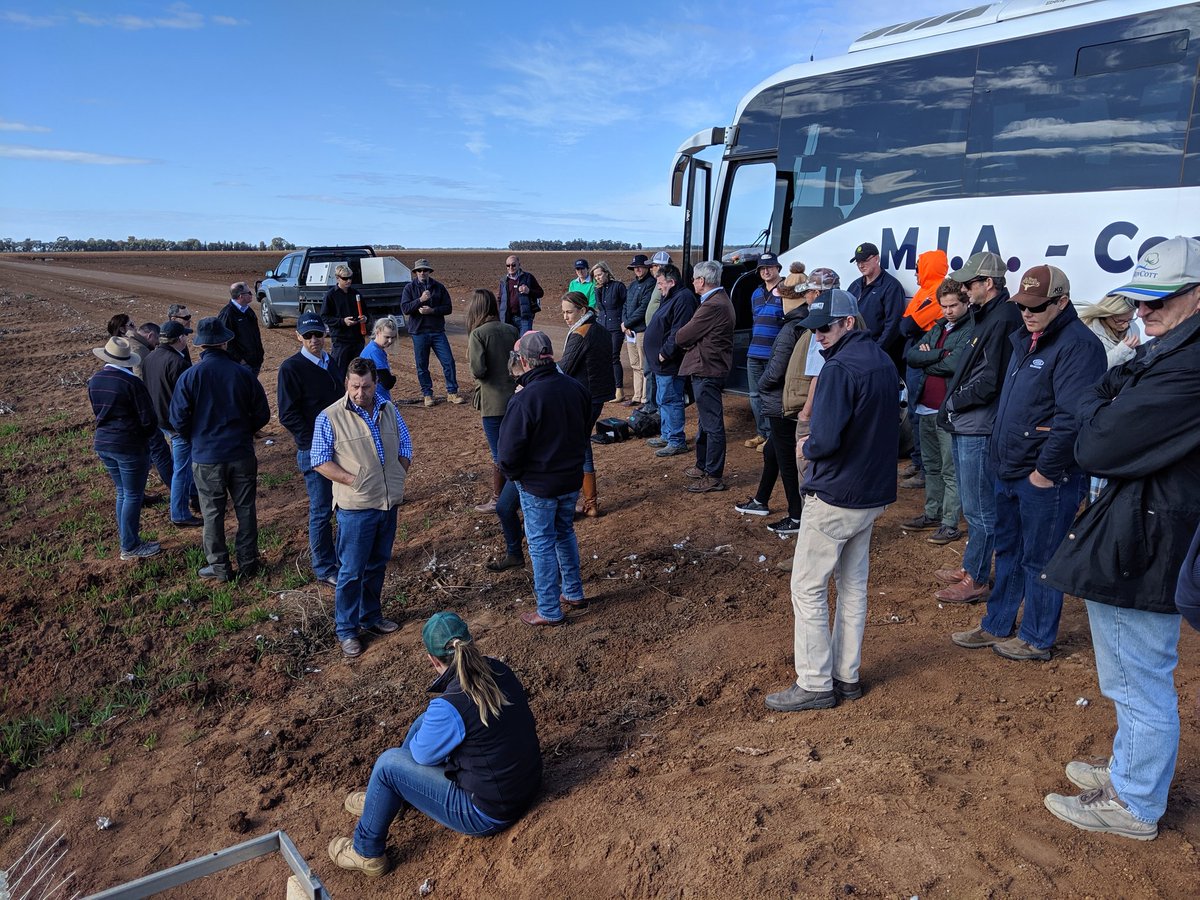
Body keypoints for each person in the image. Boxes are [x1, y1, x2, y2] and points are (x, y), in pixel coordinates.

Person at [1040, 237, 1200, 840]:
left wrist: (1099, 414)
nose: (1144, 311)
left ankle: (1134, 804)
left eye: (1161, 299)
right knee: (1131, 677)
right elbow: (1100, 404)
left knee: (1139, 678)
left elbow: (1097, 444)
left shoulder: (1188, 364)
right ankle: (1129, 773)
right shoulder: (1171, 350)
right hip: (1143, 523)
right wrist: (1103, 408)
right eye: (1140, 299)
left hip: (1152, 535)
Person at [950, 265, 1105, 660]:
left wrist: (1045, 472)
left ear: (1062, 302)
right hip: (1011, 469)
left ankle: (1037, 637)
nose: (1027, 313)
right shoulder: (1028, 339)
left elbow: (1072, 418)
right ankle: (997, 624)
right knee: (1010, 551)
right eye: (1022, 305)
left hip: (1045, 477)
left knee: (1041, 558)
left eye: (1037, 306)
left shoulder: (1078, 346)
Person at [328, 611, 542, 879]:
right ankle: (389, 801)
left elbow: (421, 756)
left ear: (432, 660)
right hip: (525, 784)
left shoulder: (450, 706)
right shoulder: (499, 669)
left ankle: (366, 851)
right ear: (471, 644)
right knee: (424, 722)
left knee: (387, 765)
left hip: (488, 812)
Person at [765, 289, 898, 712]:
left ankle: (815, 682)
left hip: (837, 494)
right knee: (853, 587)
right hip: (871, 493)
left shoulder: (840, 369)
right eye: (814, 328)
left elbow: (824, 439)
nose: (818, 335)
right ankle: (847, 676)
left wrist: (806, 448)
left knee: (807, 586)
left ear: (848, 323)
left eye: (825, 327)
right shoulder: (882, 359)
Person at [933, 251, 1022, 602]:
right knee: (975, 505)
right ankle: (973, 567)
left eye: (971, 283)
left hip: (979, 423)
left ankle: (978, 578)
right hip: (969, 421)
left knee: (980, 507)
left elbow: (990, 380)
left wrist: (954, 401)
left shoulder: (1001, 318)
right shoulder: (989, 315)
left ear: (989, 283)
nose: (967, 289)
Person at [313, 357, 413, 657]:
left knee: (377, 565)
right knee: (351, 571)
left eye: (366, 386)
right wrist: (351, 480)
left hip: (387, 503)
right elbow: (319, 459)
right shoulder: (330, 416)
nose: (360, 393)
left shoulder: (389, 409)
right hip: (356, 507)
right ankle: (346, 630)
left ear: (376, 383)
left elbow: (405, 444)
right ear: (347, 383)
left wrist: (397, 473)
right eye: (355, 386)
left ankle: (371, 616)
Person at [497, 331, 591, 626]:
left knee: (540, 544)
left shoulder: (525, 399)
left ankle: (549, 609)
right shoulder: (576, 388)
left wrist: (519, 477)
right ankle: (573, 592)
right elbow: (584, 430)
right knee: (564, 533)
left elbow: (507, 455)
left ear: (524, 361)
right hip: (569, 479)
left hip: (539, 484)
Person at [169, 316, 271, 582]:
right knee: (246, 509)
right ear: (225, 342)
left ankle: (219, 567)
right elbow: (262, 414)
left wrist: (198, 436)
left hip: (207, 457)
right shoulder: (243, 375)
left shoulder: (190, 376)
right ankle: (249, 562)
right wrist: (244, 430)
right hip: (240, 453)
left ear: (201, 346)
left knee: (212, 514)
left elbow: (178, 419)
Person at [735, 276, 810, 535]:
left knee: (786, 459)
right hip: (786, 399)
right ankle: (760, 500)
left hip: (781, 401)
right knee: (772, 452)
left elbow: (776, 369)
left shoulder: (791, 328)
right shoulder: (804, 323)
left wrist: (762, 384)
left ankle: (796, 516)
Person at [902, 279, 974, 545]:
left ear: (965, 302)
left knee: (949, 469)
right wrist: (940, 354)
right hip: (925, 407)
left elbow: (955, 365)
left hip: (947, 409)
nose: (948, 311)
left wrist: (931, 356)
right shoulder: (940, 327)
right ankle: (933, 513)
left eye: (953, 305)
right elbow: (912, 356)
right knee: (932, 466)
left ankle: (949, 523)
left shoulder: (970, 329)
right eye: (943, 306)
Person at [277, 312, 344, 588]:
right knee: (321, 509)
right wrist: (313, 442)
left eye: (318, 334)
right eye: (308, 336)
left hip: (342, 445)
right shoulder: (291, 368)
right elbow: (288, 414)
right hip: (315, 451)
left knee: (343, 505)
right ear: (298, 337)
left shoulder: (332, 362)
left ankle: (342, 557)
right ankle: (324, 567)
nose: (314, 340)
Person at [87, 336, 161, 560]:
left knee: (123, 492)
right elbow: (148, 419)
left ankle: (126, 540)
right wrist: (148, 440)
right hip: (128, 444)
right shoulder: (131, 383)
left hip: (104, 442)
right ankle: (129, 546)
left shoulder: (95, 380)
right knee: (132, 495)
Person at [465, 290, 523, 569]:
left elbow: (478, 370)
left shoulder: (478, 334)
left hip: (491, 403)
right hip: (514, 397)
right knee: (512, 449)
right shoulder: (511, 329)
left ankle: (503, 499)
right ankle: (505, 497)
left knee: (500, 456)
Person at [675, 260, 735, 493]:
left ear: (701, 281)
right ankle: (703, 466)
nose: (692, 282)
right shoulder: (719, 301)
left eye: (694, 279)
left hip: (707, 369)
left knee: (712, 424)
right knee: (705, 421)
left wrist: (687, 338)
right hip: (708, 368)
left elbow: (683, 336)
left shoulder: (713, 305)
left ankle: (713, 474)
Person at [897, 249, 950, 488]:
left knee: (923, 416)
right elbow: (905, 324)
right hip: (916, 355)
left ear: (929, 267)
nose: (916, 272)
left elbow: (908, 324)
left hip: (926, 360)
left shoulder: (939, 291)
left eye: (919, 267)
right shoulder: (924, 291)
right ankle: (919, 462)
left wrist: (912, 325)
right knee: (918, 415)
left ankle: (927, 470)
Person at [560, 291, 615, 517]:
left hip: (583, 397)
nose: (565, 317)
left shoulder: (581, 333)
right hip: (597, 395)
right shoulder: (600, 329)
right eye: (563, 312)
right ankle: (589, 502)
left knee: (577, 448)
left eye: (569, 312)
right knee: (582, 445)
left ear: (582, 310)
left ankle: (587, 502)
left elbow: (565, 368)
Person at [141, 319, 202, 527]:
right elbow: (187, 398)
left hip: (160, 419)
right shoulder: (178, 362)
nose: (187, 338)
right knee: (182, 469)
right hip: (177, 424)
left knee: (183, 465)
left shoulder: (150, 357)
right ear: (180, 339)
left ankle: (196, 497)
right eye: (185, 335)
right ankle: (179, 513)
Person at [643, 264, 698, 457]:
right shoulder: (672, 297)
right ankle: (667, 435)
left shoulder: (683, 299)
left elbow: (679, 331)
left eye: (660, 283)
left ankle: (676, 440)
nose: (658, 287)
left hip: (669, 362)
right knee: (662, 399)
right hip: (660, 363)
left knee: (671, 399)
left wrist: (664, 353)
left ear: (671, 282)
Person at [401, 258, 463, 407]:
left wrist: (433, 311)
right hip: (419, 332)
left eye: (425, 270)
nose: (422, 273)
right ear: (415, 272)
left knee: (448, 362)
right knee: (422, 365)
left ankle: (452, 392)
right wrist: (420, 300)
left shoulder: (439, 287)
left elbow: (448, 308)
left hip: (437, 331)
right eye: (419, 270)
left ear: (429, 272)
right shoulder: (409, 288)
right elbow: (405, 308)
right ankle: (427, 395)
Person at [745, 252, 786, 449]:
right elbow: (755, 321)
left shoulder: (788, 290)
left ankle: (773, 438)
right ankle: (762, 433)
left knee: (773, 395)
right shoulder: (756, 293)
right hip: (754, 352)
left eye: (769, 267)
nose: (766, 271)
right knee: (755, 395)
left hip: (774, 353)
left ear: (778, 268)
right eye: (762, 268)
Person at [847, 241, 905, 361]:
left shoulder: (891, 286)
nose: (861, 265)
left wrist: (877, 350)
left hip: (877, 354)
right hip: (854, 349)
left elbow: (893, 324)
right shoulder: (855, 285)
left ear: (876, 259)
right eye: (858, 262)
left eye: (865, 260)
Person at [639, 250, 674, 415]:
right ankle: (652, 404)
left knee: (653, 372)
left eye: (653, 266)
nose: (651, 269)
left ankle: (654, 406)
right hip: (652, 334)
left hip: (660, 337)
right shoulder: (656, 284)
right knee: (649, 371)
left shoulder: (666, 286)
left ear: (661, 266)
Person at [321, 264, 367, 381]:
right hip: (341, 341)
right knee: (339, 374)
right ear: (337, 278)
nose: (348, 281)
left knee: (358, 373)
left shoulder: (356, 294)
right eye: (345, 278)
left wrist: (365, 319)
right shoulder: (330, 295)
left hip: (357, 340)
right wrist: (342, 322)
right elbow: (325, 317)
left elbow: (366, 313)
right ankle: (339, 398)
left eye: (350, 278)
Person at [591, 261, 628, 403]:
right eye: (595, 276)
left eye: (600, 274)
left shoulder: (618, 286)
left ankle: (619, 390)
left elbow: (626, 304)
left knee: (613, 356)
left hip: (616, 326)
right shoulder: (598, 289)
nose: (598, 278)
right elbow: (600, 308)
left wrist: (625, 322)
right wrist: (598, 289)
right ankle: (607, 387)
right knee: (603, 356)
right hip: (602, 326)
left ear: (607, 273)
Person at [621, 254, 655, 408]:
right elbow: (626, 306)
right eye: (635, 267)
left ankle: (644, 398)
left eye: (640, 267)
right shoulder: (633, 285)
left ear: (647, 267)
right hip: (629, 331)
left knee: (643, 365)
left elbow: (643, 308)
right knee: (634, 364)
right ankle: (636, 396)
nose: (638, 269)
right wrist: (625, 324)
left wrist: (627, 323)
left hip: (641, 330)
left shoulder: (651, 284)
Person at [1079, 293, 1141, 369]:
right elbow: (1093, 368)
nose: (1126, 325)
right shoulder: (1089, 334)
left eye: (1129, 320)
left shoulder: (1133, 327)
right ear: (1106, 315)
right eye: (1119, 321)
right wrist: (1122, 350)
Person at [217, 281, 265, 375]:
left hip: (254, 362)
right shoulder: (227, 314)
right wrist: (240, 361)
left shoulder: (248, 311)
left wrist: (260, 355)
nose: (252, 295)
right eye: (249, 293)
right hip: (241, 365)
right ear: (240, 296)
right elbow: (226, 342)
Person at [498, 255, 544, 336]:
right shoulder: (504, 281)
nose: (510, 267)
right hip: (508, 319)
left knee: (524, 343)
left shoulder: (528, 277)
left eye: (513, 265)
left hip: (524, 319)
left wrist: (528, 291)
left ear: (519, 264)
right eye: (508, 265)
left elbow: (540, 293)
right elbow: (500, 299)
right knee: (510, 344)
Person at [360, 316, 401, 407]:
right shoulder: (375, 352)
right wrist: (393, 378)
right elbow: (387, 382)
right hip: (377, 401)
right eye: (387, 337)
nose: (390, 341)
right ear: (377, 332)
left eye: (393, 337)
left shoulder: (373, 349)